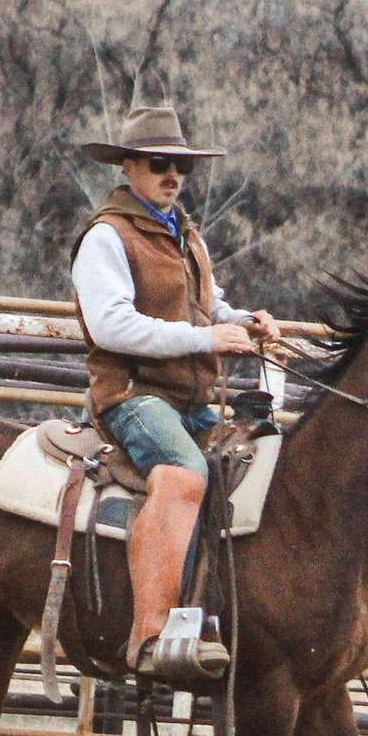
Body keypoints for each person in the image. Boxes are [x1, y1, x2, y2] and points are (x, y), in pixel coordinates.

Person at [69, 105, 276, 681]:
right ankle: (153, 635)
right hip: (132, 398)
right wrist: (207, 336)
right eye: (160, 164)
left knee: (255, 462)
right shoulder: (106, 238)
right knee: (184, 471)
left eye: (180, 166)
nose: (172, 176)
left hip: (188, 400)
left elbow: (208, 307)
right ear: (129, 167)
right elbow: (111, 326)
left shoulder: (184, 234)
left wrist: (245, 321)